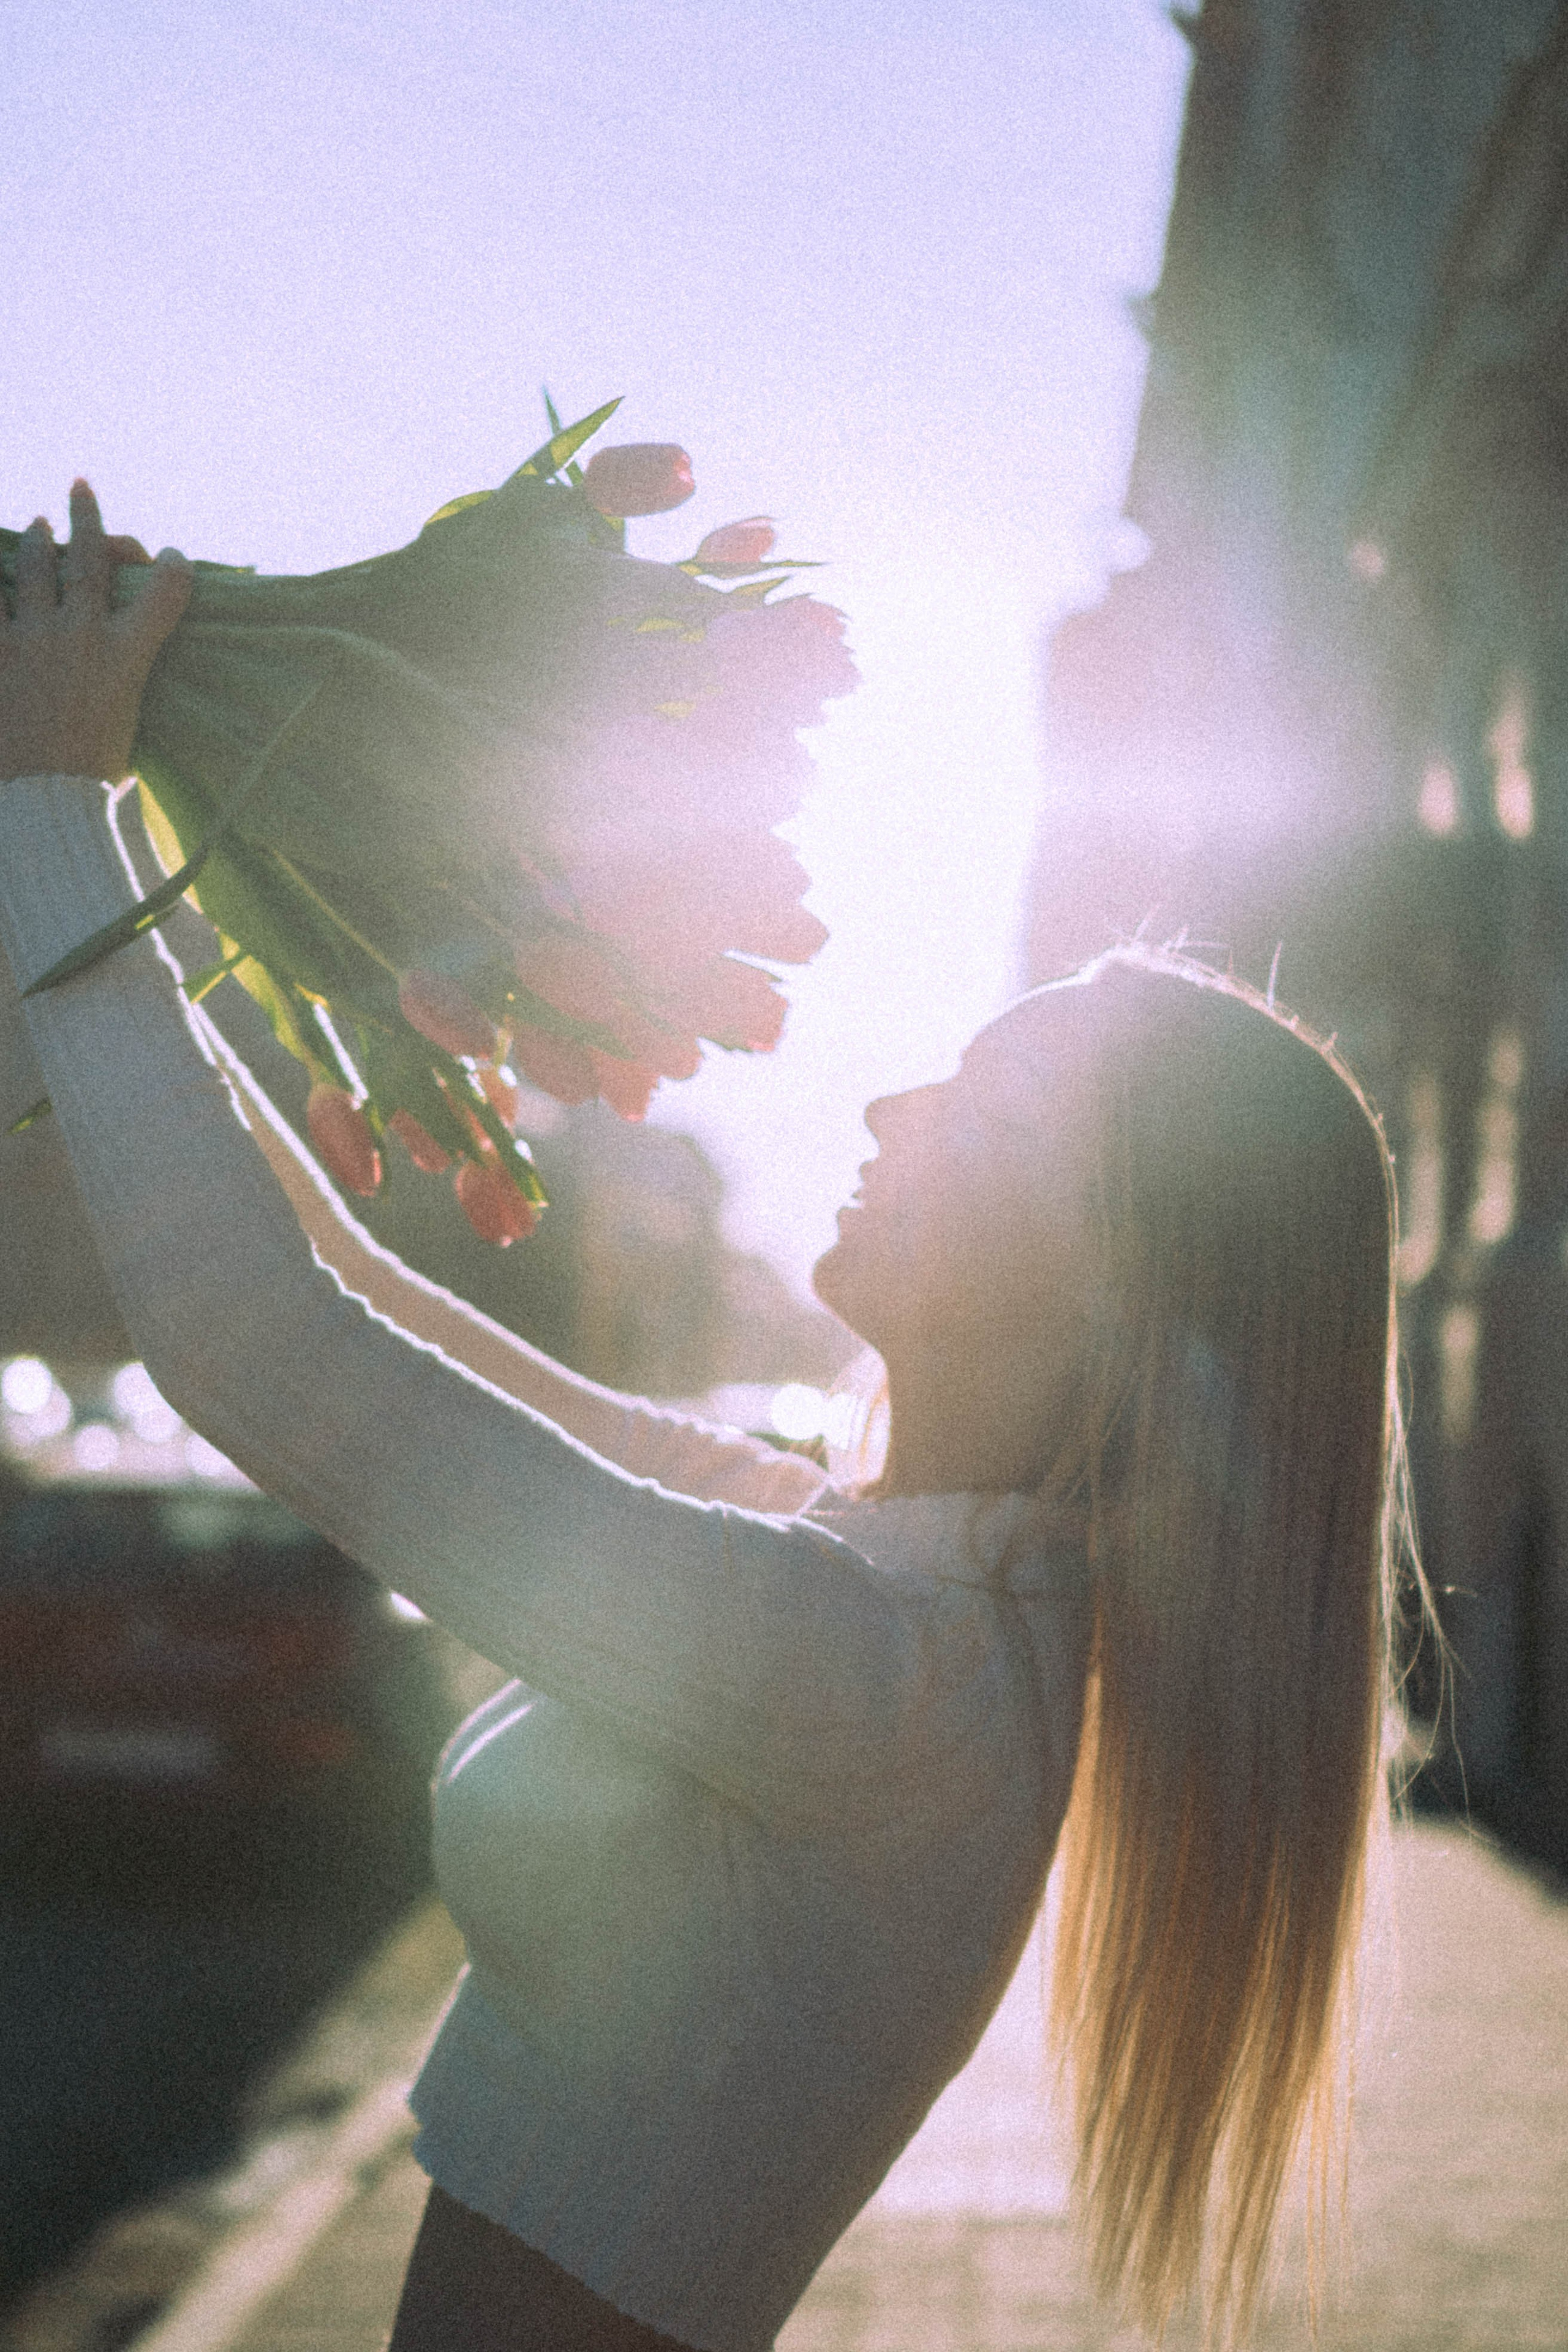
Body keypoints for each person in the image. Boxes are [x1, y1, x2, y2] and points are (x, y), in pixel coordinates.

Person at [0, 487, 1422, 2350]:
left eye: (982, 1122)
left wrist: (62, 806)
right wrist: (127, 829)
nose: (887, 1112)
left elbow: (276, 1360)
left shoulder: (889, 1676)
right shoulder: (870, 1570)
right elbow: (371, 1309)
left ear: (1116, 1298)